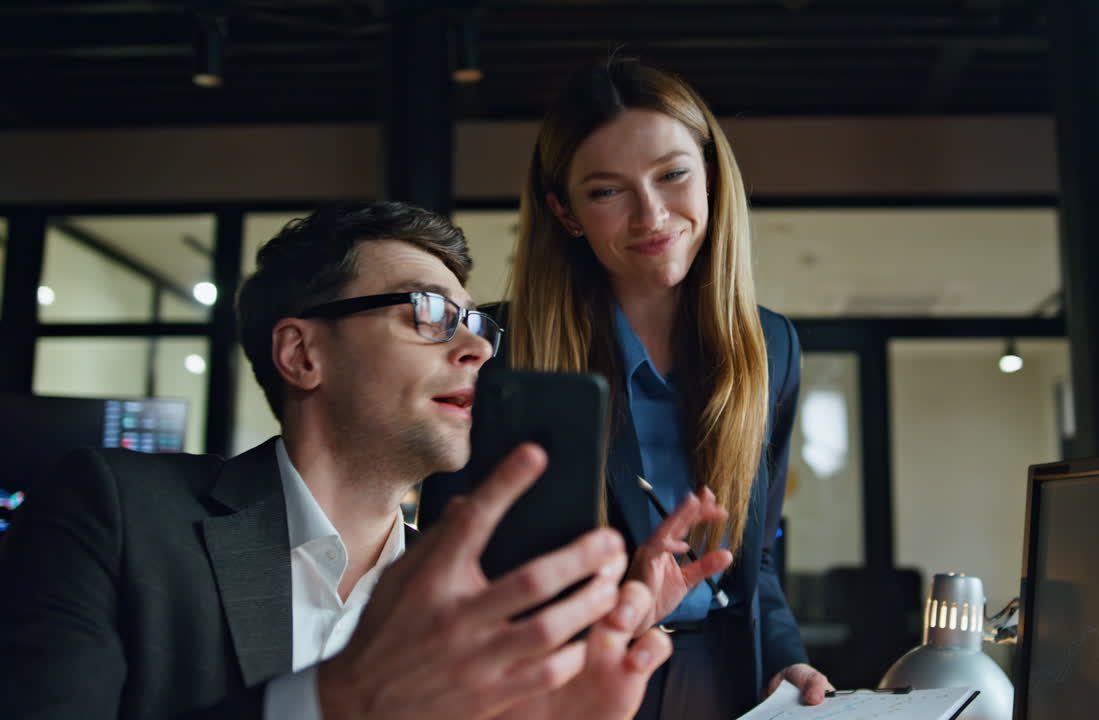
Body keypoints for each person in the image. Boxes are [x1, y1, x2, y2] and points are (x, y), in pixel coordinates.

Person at [0, 201, 677, 720]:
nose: (475, 350)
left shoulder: (470, 596)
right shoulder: (115, 513)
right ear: (302, 354)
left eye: (475, 325)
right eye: (430, 312)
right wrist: (337, 698)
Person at [421, 58, 833, 719]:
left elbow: (754, 562)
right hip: (568, 689)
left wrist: (786, 656)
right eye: (608, 191)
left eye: (672, 175)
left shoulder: (771, 346)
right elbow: (452, 570)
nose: (652, 215)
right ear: (567, 212)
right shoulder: (497, 350)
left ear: (712, 178)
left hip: (729, 681)